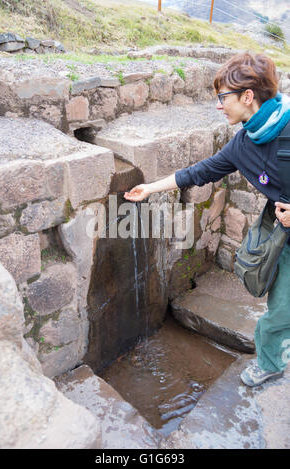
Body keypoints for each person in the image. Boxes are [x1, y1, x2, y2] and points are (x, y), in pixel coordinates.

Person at [124, 52, 290, 387]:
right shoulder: (243, 143)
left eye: (222, 97)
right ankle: (271, 362)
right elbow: (199, 172)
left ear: (248, 97)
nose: (218, 105)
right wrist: (150, 188)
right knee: (280, 310)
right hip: (283, 234)